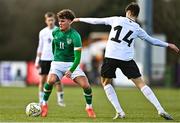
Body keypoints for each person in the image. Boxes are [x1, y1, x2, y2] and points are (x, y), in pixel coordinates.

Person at [73, 2, 179, 120]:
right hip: (126, 59)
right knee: (141, 84)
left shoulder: (116, 20)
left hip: (111, 57)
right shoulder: (137, 28)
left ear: (127, 12)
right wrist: (168, 45)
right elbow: (152, 40)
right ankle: (160, 109)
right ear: (136, 15)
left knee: (106, 83)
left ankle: (120, 112)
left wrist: (79, 19)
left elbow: (97, 20)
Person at [41, 9, 96, 118]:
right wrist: (55, 59)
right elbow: (54, 46)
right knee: (51, 80)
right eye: (59, 21)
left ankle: (89, 107)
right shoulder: (55, 32)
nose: (60, 23)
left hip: (72, 64)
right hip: (57, 63)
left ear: (70, 22)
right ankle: (44, 104)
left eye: (63, 21)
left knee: (86, 85)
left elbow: (78, 58)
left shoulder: (75, 36)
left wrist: (71, 70)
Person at [35, 12, 65, 106]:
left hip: (55, 60)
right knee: (42, 80)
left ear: (54, 20)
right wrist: (37, 60)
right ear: (46, 21)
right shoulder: (42, 32)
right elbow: (40, 46)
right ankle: (41, 100)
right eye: (49, 20)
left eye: (52, 20)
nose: (50, 22)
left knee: (57, 81)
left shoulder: (59, 30)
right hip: (44, 59)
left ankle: (60, 101)